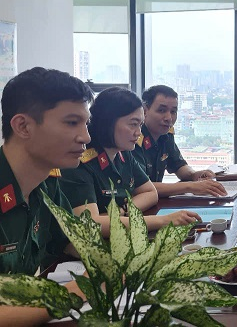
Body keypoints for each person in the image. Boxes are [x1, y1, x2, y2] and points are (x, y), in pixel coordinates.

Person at [0, 67, 93, 324]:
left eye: (86, 123)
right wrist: (75, 293)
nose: (86, 137)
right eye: (72, 122)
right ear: (23, 126)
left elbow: (70, 242)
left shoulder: (47, 185)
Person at [60, 87, 201, 237]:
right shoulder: (79, 162)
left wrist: (121, 212)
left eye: (140, 125)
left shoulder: (123, 154)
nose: (138, 132)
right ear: (108, 123)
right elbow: (91, 224)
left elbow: (150, 193)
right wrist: (162, 220)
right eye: (133, 124)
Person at [132, 85, 227, 198]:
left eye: (173, 111)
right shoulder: (133, 139)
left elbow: (178, 165)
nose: (169, 118)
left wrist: (194, 175)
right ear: (144, 111)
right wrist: (190, 186)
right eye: (161, 110)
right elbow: (142, 187)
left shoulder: (166, 135)